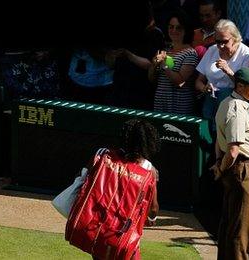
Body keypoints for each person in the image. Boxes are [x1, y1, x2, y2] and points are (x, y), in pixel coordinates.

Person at [85, 119, 160, 260]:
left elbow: (83, 180)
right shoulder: (149, 170)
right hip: (126, 236)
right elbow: (154, 207)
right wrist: (152, 218)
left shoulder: (102, 155)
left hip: (98, 229)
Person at [212, 67, 249, 260]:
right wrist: (221, 168)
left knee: (229, 223)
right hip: (241, 170)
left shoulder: (227, 102)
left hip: (233, 168)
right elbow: (233, 150)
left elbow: (219, 140)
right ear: (240, 86)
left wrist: (219, 164)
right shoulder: (237, 109)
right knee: (241, 229)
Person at [196, 19, 249, 128]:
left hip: (232, 106)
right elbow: (198, 81)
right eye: (218, 41)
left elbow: (246, 88)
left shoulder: (246, 54)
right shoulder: (212, 50)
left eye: (225, 41)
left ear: (235, 39)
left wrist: (228, 71)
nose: (220, 46)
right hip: (210, 103)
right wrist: (205, 88)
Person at [149, 11, 199, 115]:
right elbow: (151, 79)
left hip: (180, 106)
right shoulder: (164, 50)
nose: (174, 30)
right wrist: (154, 65)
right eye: (171, 27)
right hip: (161, 103)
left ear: (186, 30)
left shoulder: (190, 53)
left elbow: (180, 82)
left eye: (178, 28)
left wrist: (164, 65)